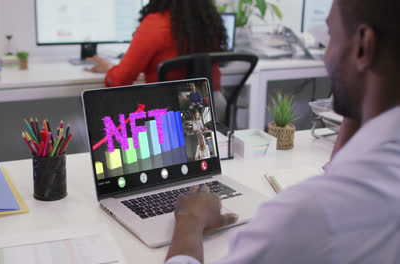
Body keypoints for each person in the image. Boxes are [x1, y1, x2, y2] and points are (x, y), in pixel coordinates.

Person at [165, 0, 400, 263]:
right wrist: (361, 102)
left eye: (331, 35)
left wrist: (190, 220)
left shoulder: (306, 215)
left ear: (363, 46)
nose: (326, 56)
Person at [87, 0, 227, 91]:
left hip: (169, 114)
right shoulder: (209, 22)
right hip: (214, 108)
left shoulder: (155, 24)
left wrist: (109, 69)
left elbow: (121, 80)